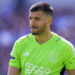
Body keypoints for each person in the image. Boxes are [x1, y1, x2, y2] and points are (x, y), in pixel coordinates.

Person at [8, 2, 75, 75]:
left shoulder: (65, 47)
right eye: (31, 18)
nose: (32, 23)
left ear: (49, 21)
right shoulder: (20, 44)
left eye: (37, 19)